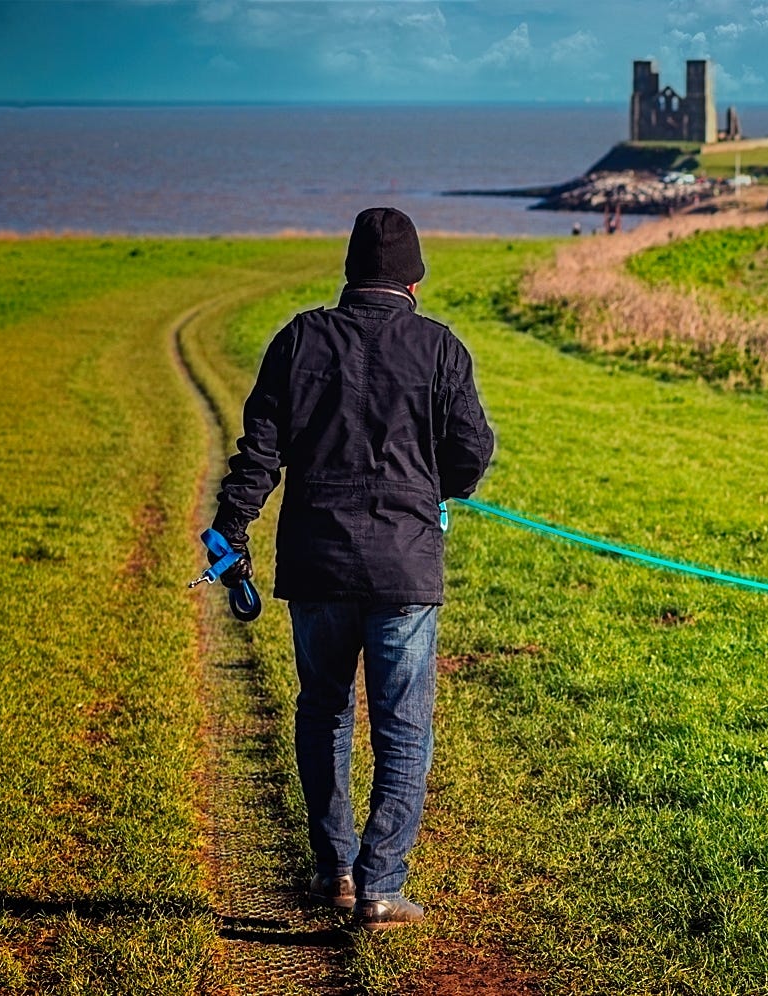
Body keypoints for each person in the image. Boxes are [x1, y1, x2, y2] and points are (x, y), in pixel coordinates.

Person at [208, 207, 495, 930]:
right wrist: (438, 485)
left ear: (349, 272)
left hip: (317, 561)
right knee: (403, 727)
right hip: (404, 566)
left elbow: (259, 452)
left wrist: (230, 528)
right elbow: (472, 451)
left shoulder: (299, 339)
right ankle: (380, 886)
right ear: (415, 279)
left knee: (324, 712)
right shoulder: (441, 348)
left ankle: (334, 868)